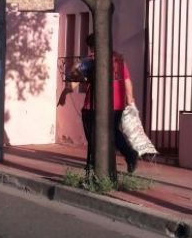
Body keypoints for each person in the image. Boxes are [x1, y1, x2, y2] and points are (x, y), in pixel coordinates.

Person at [59, 34, 138, 173]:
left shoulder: (90, 61)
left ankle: (94, 162)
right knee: (112, 132)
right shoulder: (118, 60)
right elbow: (127, 80)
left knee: (93, 134)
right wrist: (130, 99)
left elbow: (73, 82)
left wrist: (64, 93)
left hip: (94, 105)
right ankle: (129, 154)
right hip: (117, 104)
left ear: (91, 47)